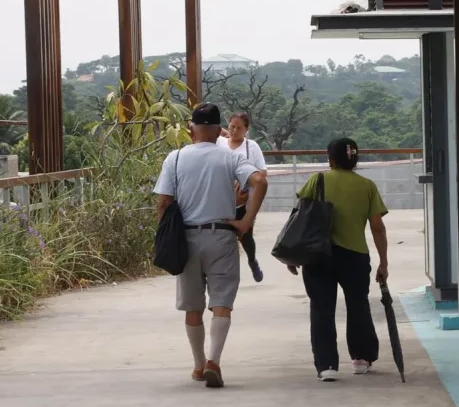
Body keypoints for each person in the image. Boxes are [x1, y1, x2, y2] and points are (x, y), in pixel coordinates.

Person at [154, 103, 268, 388]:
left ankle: (197, 364)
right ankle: (214, 361)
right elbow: (259, 182)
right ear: (219, 130)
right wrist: (246, 222)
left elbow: (163, 201)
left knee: (193, 305)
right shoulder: (229, 157)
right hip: (222, 235)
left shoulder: (175, 158)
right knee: (222, 303)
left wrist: (166, 235)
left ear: (191, 128)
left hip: (187, 238)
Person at [290, 138, 389, 382]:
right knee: (358, 306)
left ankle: (327, 365)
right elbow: (377, 227)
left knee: (322, 308)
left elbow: (300, 216)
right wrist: (383, 262)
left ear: (330, 158)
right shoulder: (367, 185)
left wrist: (293, 253)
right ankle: (361, 358)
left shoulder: (318, 180)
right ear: (355, 159)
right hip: (355, 256)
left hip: (318, 255)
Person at [217, 112, 267, 283]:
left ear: (246, 129)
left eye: (239, 128)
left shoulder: (251, 147)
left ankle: (252, 260)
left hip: (243, 201)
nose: (234, 131)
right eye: (232, 127)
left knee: (245, 235)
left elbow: (262, 173)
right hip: (222, 198)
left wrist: (245, 181)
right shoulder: (219, 143)